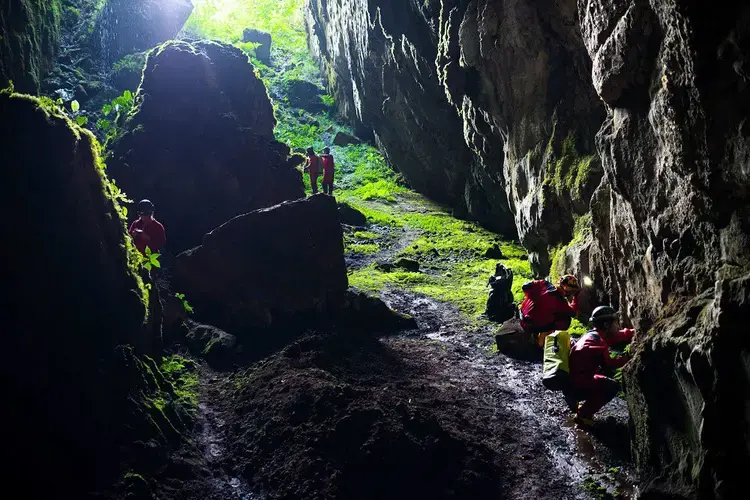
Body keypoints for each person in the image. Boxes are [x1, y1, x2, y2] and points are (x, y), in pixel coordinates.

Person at [565, 305, 635, 427]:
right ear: (607, 325)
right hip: (577, 386)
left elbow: (616, 336)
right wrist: (628, 357)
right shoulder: (596, 345)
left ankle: (584, 406)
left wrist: (634, 332)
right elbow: (611, 363)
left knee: (602, 377)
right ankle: (583, 416)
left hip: (573, 381)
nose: (617, 326)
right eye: (615, 322)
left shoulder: (593, 335)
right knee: (611, 386)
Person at [519, 274, 580, 346]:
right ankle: (541, 343)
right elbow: (573, 313)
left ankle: (535, 336)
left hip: (522, 316)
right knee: (565, 320)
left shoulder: (543, 283)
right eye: (571, 291)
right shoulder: (560, 302)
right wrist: (575, 299)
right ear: (566, 289)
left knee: (542, 313)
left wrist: (533, 298)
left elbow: (525, 287)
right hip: (533, 325)